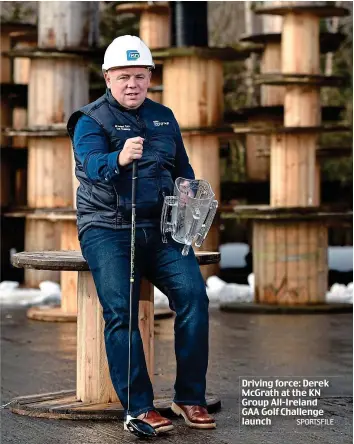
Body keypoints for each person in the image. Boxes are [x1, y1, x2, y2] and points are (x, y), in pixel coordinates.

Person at [67, 35, 216, 434]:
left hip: (162, 229)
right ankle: (138, 407)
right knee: (122, 312)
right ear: (107, 77)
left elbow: (182, 169)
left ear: (150, 76)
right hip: (107, 228)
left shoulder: (164, 117)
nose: (132, 84)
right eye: (123, 76)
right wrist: (118, 157)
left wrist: (190, 195)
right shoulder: (89, 120)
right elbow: (92, 164)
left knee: (194, 298)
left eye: (139, 76)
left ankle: (189, 397)